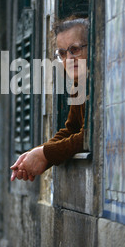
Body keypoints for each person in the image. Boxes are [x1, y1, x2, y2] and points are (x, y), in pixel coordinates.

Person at [10, 15, 89, 182]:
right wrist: (37, 153)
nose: (69, 59)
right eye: (62, 53)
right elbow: (72, 130)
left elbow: (90, 135)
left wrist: (45, 154)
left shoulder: (99, 82)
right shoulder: (78, 85)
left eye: (74, 50)